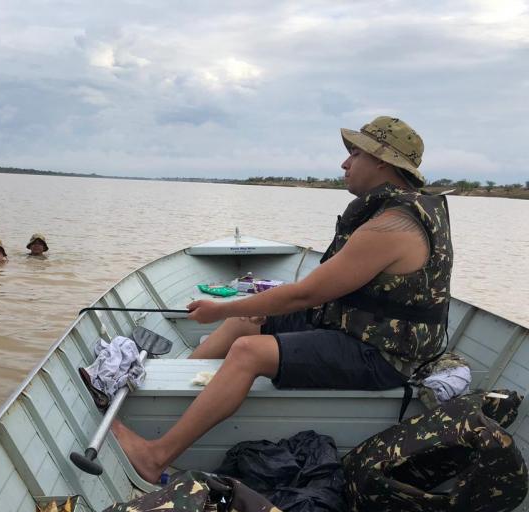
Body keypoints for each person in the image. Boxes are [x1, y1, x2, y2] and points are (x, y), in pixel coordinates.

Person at [113, 116, 454, 483]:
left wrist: (218, 309)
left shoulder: (393, 226)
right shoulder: (398, 212)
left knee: (248, 351)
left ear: (382, 162)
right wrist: (238, 311)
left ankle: (155, 455)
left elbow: (306, 294)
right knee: (249, 321)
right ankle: (173, 392)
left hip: (386, 355)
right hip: (361, 331)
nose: (344, 163)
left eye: (354, 154)